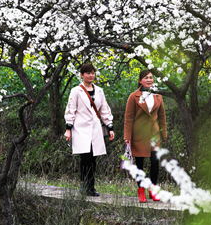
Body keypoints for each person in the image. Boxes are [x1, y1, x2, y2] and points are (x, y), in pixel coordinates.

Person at [64, 63, 115, 196]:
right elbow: (71, 109)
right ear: (82, 75)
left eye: (93, 73)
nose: (91, 75)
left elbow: (104, 109)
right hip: (81, 128)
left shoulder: (99, 91)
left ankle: (91, 187)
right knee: (85, 157)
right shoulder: (76, 91)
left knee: (93, 159)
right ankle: (84, 186)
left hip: (95, 128)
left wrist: (110, 126)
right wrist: (68, 128)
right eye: (88, 73)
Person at [124, 70, 167, 203]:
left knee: (155, 162)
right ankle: (141, 191)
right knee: (140, 165)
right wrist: (127, 136)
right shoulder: (133, 96)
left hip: (154, 136)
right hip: (139, 135)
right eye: (146, 78)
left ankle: (153, 190)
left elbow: (162, 117)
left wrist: (164, 133)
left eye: (150, 78)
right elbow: (129, 118)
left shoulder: (158, 97)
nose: (149, 80)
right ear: (140, 80)